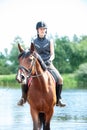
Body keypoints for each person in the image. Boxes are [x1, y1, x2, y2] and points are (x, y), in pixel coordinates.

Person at [17, 21, 66, 107]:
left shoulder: (50, 40)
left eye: (44, 29)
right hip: (37, 64)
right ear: (37, 30)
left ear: (46, 30)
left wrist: (50, 60)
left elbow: (52, 54)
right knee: (24, 79)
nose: (42, 30)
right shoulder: (33, 41)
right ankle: (23, 98)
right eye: (41, 29)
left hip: (48, 63)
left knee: (60, 79)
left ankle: (59, 99)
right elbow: (32, 53)